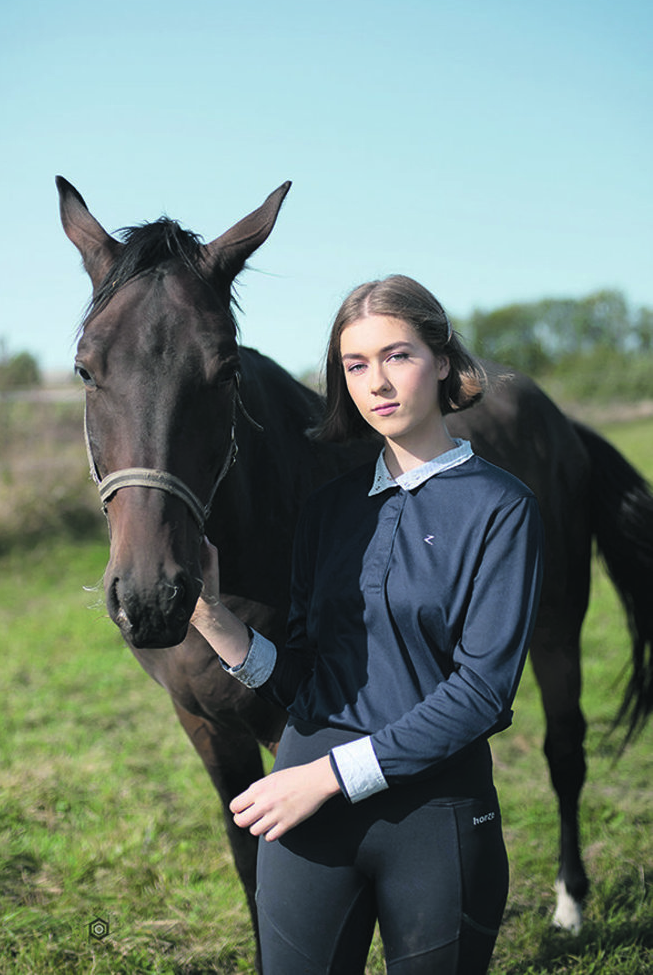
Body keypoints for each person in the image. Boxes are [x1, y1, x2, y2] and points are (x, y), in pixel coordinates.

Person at [191, 275, 544, 974]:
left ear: (442, 361)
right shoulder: (327, 509)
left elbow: (482, 692)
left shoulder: (502, 507)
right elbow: (305, 678)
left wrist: (326, 776)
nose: (376, 382)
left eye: (397, 356)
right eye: (355, 365)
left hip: (434, 818)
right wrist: (208, 613)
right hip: (303, 821)